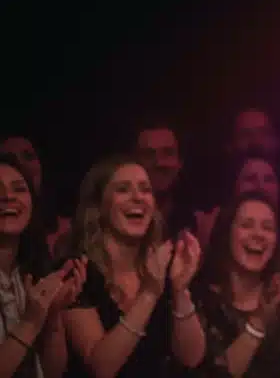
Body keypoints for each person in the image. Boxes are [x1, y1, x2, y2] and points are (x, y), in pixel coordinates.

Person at [61, 156, 206, 377]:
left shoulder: (164, 265)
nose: (138, 197)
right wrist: (149, 294)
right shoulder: (77, 271)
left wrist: (180, 290)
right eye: (123, 189)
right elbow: (101, 368)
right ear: (99, 205)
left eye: (145, 190)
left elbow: (191, 357)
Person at [194, 191, 280, 378]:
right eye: (247, 225)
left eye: (267, 228)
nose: (258, 235)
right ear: (227, 233)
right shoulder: (203, 300)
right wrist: (257, 324)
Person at [0, 156, 86, 378]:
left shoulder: (27, 273)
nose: (7, 197)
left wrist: (53, 313)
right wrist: (30, 323)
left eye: (19, 189)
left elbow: (53, 372)